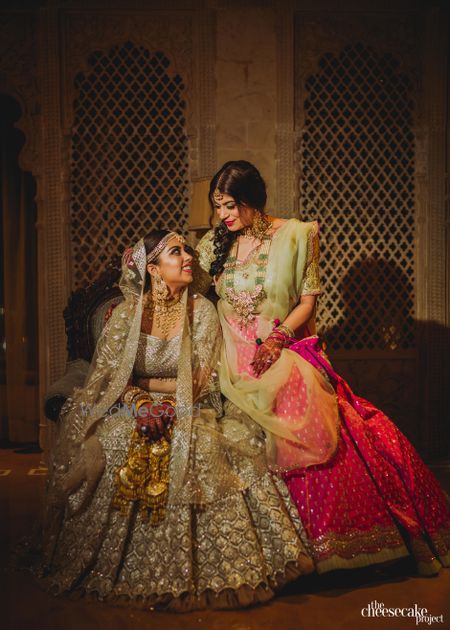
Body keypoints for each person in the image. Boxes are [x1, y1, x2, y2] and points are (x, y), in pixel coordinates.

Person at [195, 160, 450, 576]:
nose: (224, 216)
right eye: (218, 207)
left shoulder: (298, 235)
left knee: (302, 400)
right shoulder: (214, 243)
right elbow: (190, 291)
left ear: (254, 201)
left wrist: (278, 340)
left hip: (277, 343)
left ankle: (329, 544)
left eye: (231, 206)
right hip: (225, 348)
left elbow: (307, 304)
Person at [38, 229, 314, 611]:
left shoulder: (200, 309)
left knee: (199, 450)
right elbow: (111, 376)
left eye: (186, 250)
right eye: (175, 252)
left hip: (194, 405)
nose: (187, 257)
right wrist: (140, 401)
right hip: (135, 406)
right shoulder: (126, 315)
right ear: (152, 268)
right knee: (112, 444)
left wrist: (168, 400)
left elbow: (206, 376)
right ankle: (118, 568)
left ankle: (205, 570)